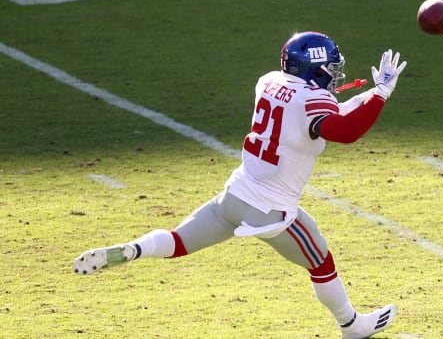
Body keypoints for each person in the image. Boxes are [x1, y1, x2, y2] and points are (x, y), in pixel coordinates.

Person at [73, 31, 407, 339]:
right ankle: (351, 326)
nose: (335, 75)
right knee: (321, 262)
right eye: (330, 68)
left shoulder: (270, 82)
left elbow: (324, 116)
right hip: (271, 212)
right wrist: (380, 97)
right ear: (315, 69)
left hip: (235, 195)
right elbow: (345, 131)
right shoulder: (313, 101)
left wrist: (374, 93)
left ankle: (135, 249)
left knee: (177, 241)